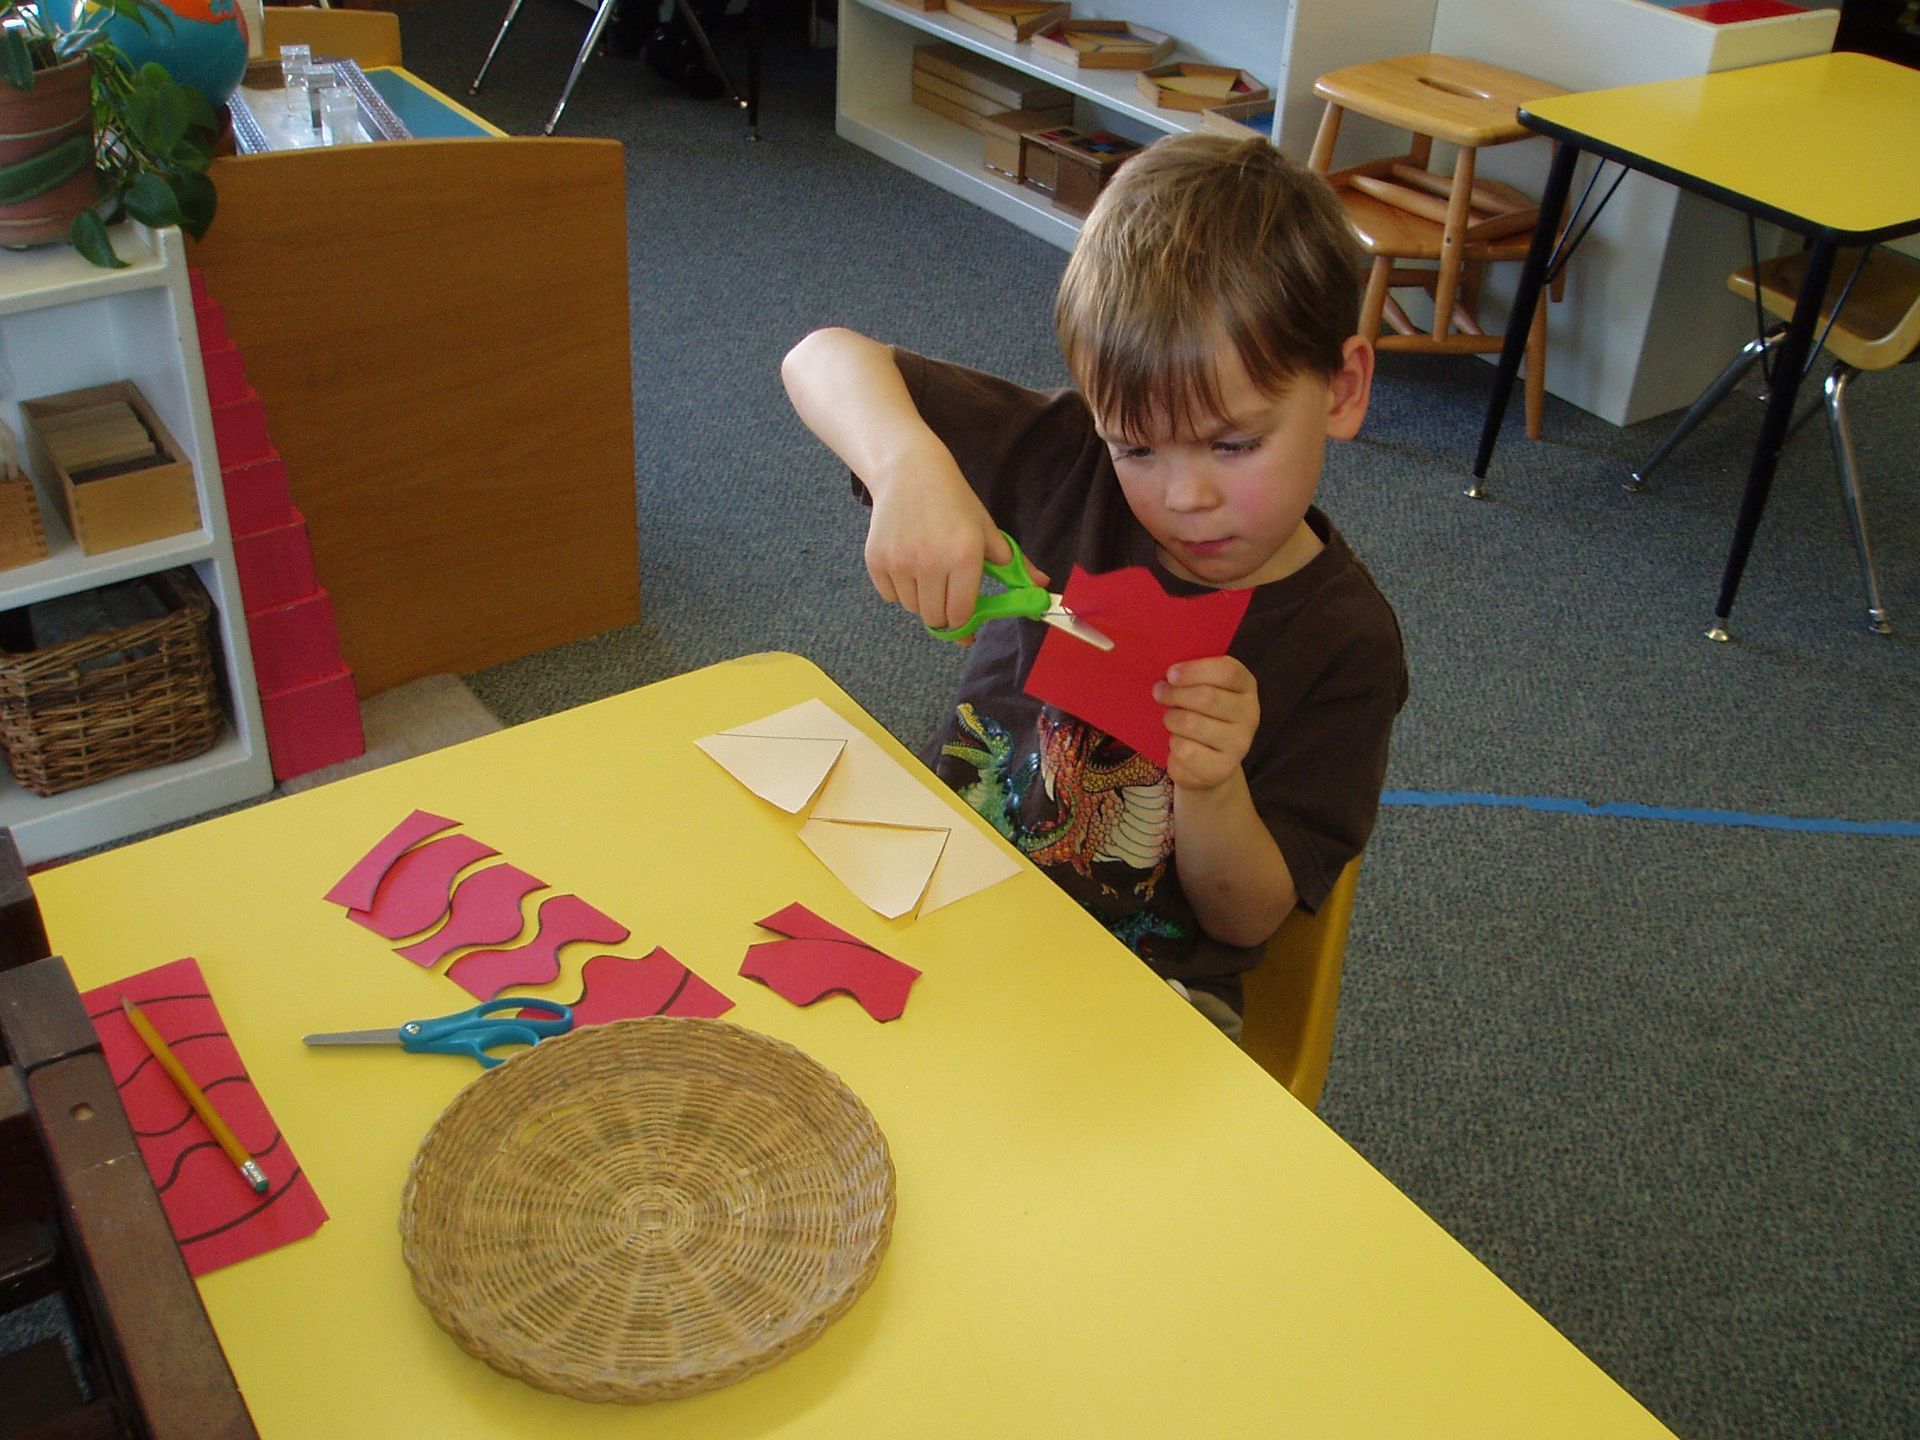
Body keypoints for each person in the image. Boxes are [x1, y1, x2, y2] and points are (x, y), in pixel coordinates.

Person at [781, 133, 1408, 1039]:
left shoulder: (1345, 643)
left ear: (1342, 390)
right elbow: (819, 357)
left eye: (1234, 445)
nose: (1185, 497)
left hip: (1143, 995)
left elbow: (1246, 919)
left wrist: (1211, 785)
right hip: (940, 896)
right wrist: (908, 465)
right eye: (1139, 448)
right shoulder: (1071, 460)